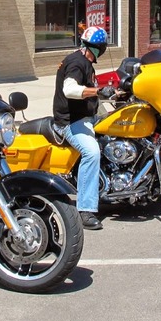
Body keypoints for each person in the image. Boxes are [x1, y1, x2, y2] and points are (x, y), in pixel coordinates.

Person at [53, 25, 108, 230]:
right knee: (91, 152)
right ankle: (85, 209)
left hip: (85, 117)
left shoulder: (85, 61)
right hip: (70, 122)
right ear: (99, 47)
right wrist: (97, 91)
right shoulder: (77, 62)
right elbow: (70, 89)